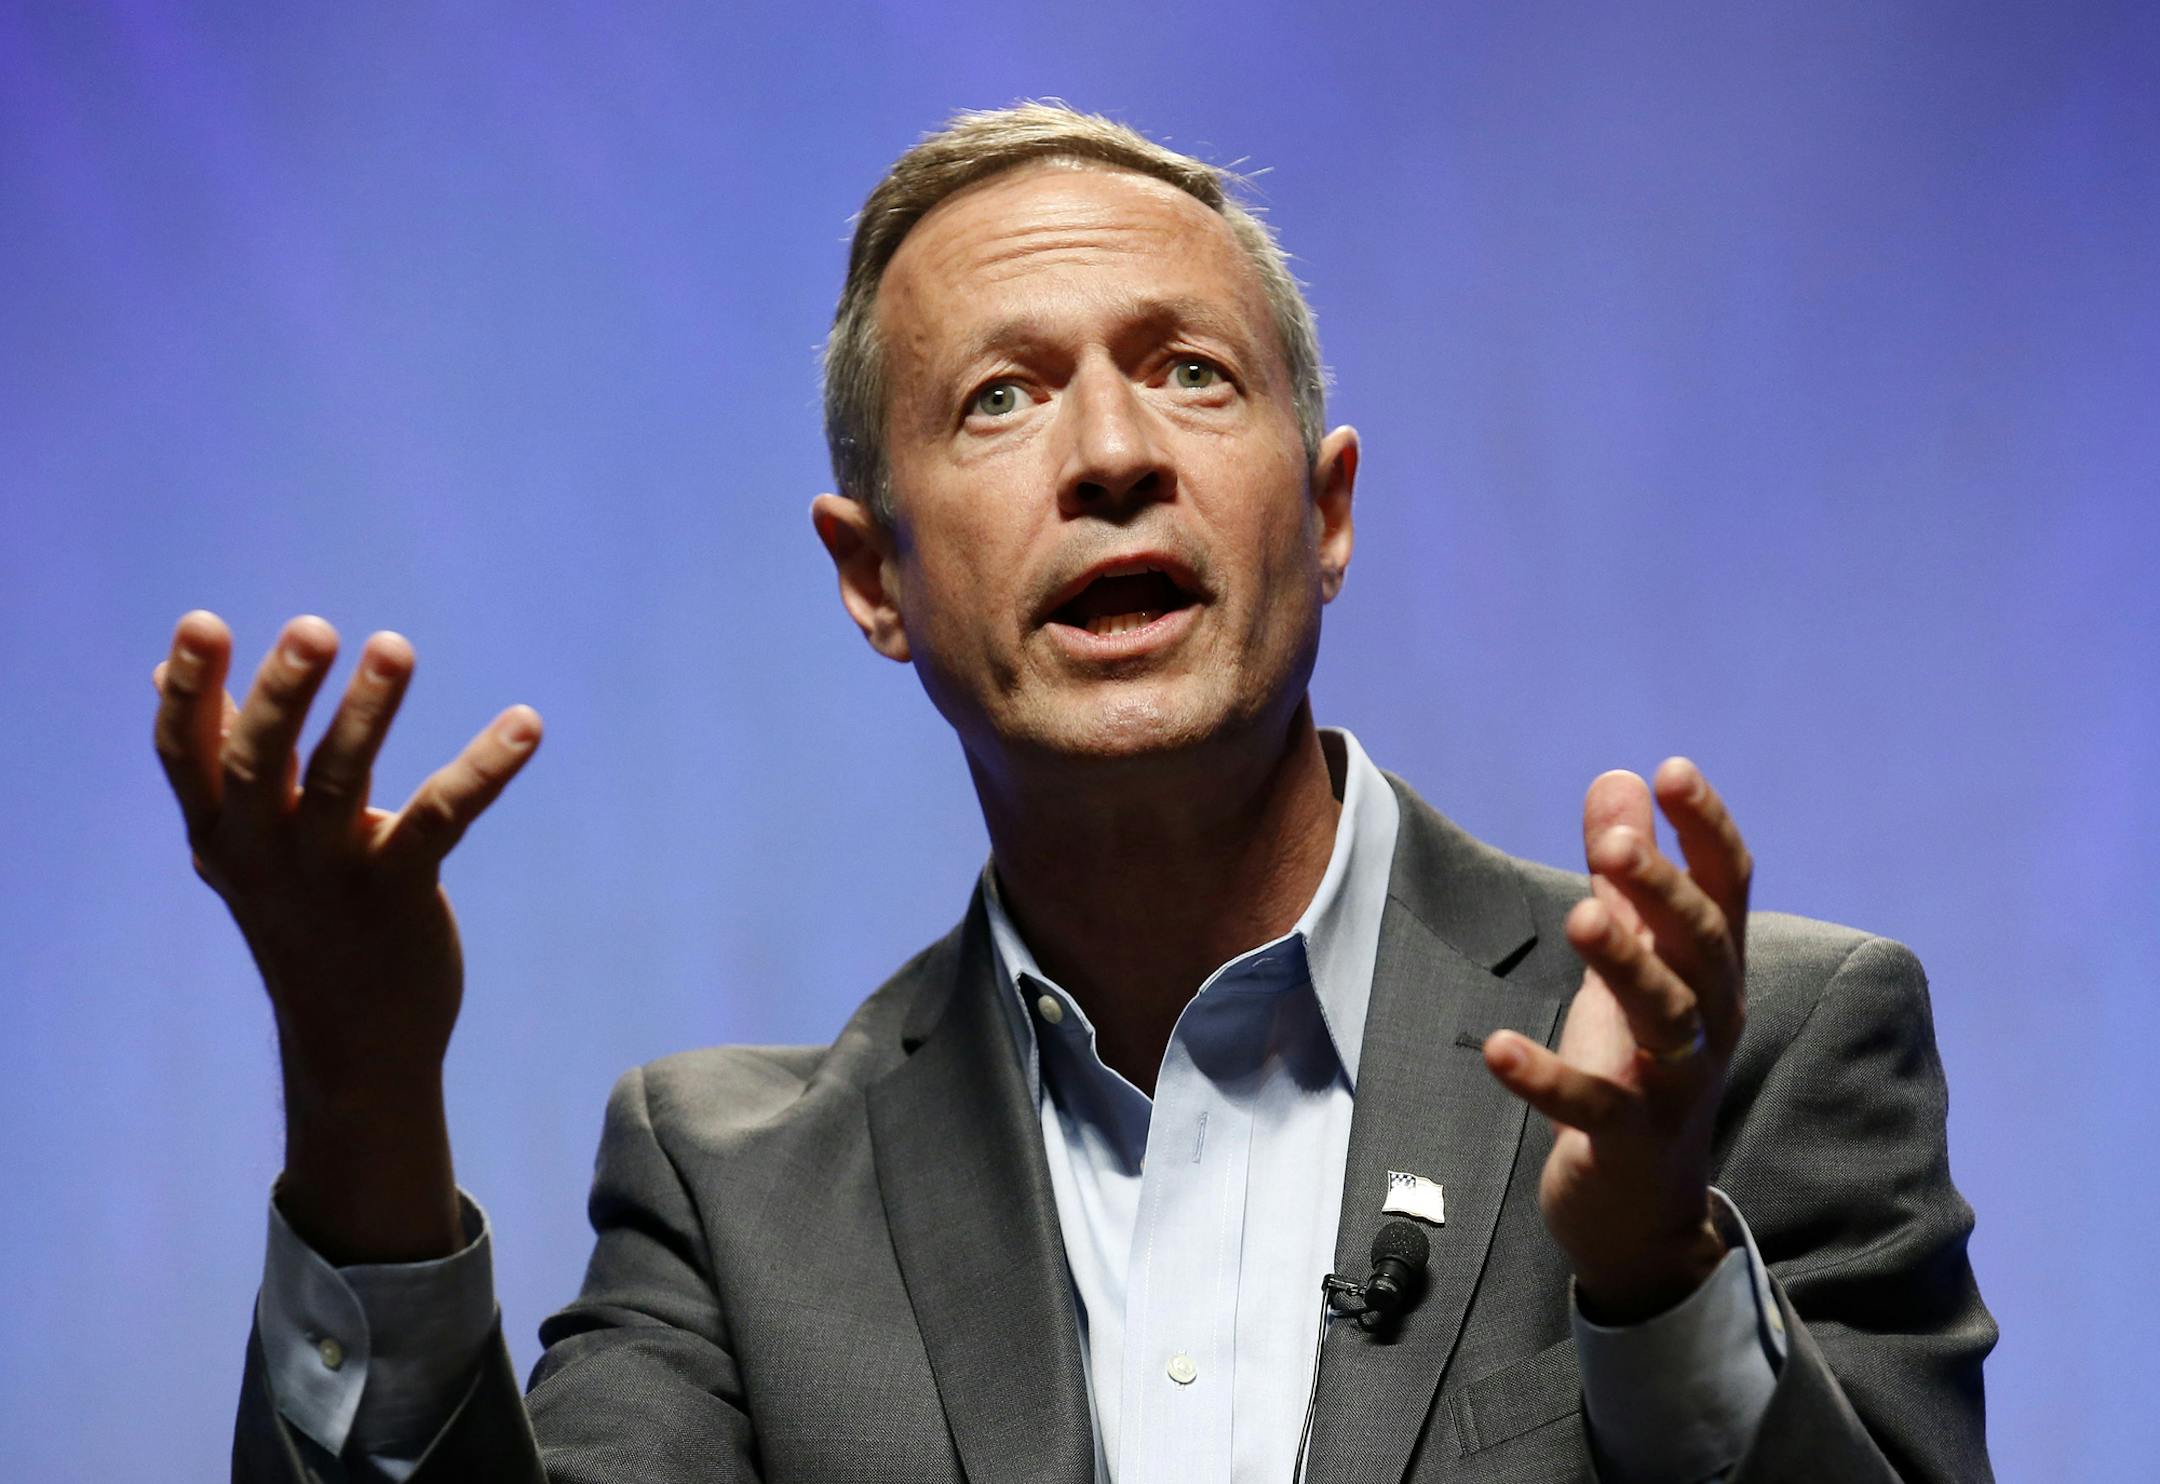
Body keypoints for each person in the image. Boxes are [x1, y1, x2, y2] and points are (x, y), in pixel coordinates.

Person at [158, 104, 1993, 1482]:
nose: (1114, 453)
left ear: (1328, 512)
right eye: (1000, 400)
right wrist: (358, 1084)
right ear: (874, 579)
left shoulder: (1749, 1056)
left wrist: (1659, 1276)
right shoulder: (736, 1194)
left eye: (1191, 375)